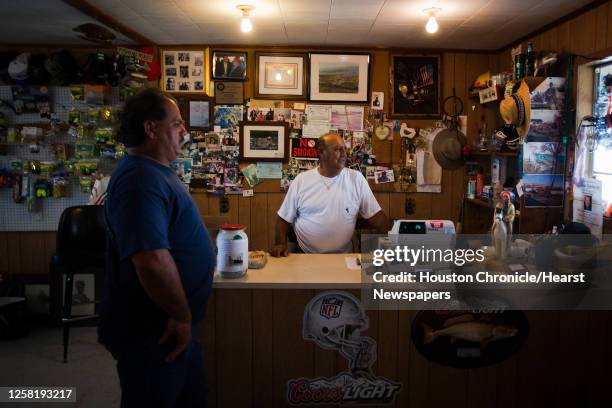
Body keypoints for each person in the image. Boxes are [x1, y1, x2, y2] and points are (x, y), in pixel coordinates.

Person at [98, 88, 215, 408]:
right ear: (150, 129)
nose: (184, 131)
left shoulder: (155, 171)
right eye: (176, 123)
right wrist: (180, 315)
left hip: (169, 326)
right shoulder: (140, 179)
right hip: (155, 330)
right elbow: (150, 260)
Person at [271, 133, 391, 256]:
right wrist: (280, 244)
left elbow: (376, 217)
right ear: (322, 152)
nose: (344, 153)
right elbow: (283, 219)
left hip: (344, 257)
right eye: (338, 149)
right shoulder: (301, 181)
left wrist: (396, 241)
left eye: (345, 149)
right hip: (305, 255)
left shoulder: (356, 179)